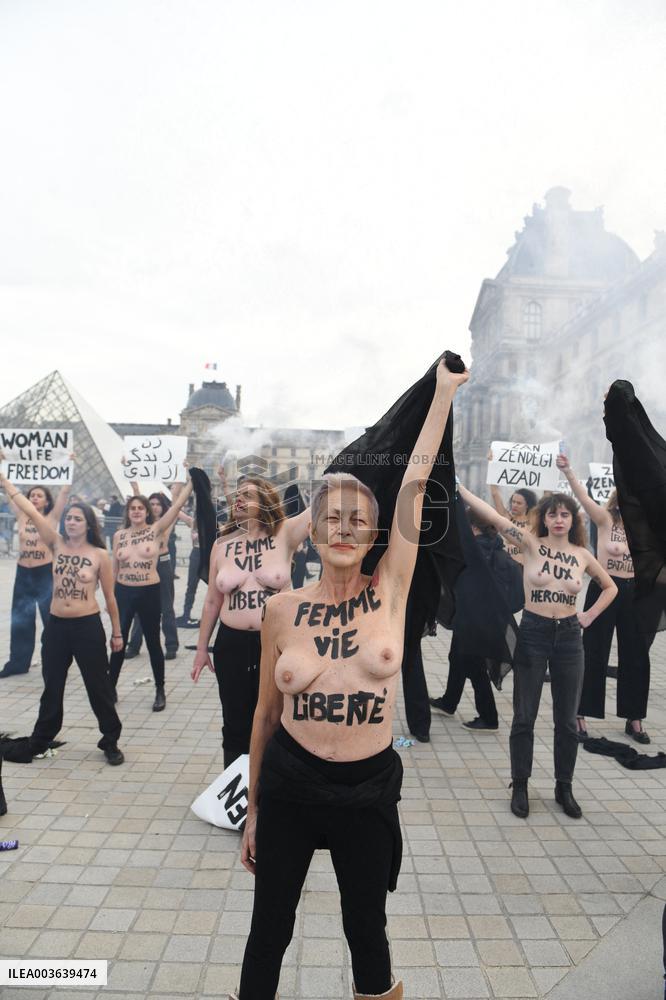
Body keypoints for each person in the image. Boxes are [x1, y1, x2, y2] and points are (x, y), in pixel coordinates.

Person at [231, 360, 468, 1000]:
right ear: (314, 532)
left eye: (355, 518)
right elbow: (263, 718)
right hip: (290, 786)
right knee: (268, 928)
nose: (342, 527)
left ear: (373, 533)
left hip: (367, 792)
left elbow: (416, 483)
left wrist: (441, 396)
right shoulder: (281, 610)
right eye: (329, 517)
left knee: (367, 928)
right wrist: (253, 808)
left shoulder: (390, 590)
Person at [458, 483, 617, 820]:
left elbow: (611, 587)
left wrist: (587, 616)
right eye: (552, 514)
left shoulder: (582, 555)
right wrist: (460, 489)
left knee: (567, 721)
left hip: (571, 639)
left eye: (564, 514)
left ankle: (564, 786)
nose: (558, 519)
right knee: (524, 716)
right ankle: (520, 784)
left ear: (572, 520)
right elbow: (492, 517)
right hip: (533, 634)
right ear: (543, 519)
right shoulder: (529, 544)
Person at [0, 466, 124, 764]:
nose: (70, 522)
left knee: (99, 687)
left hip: (87, 627)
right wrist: (5, 481)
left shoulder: (100, 555)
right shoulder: (54, 543)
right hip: (56, 627)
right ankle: (41, 738)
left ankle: (110, 740)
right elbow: (28, 507)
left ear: (88, 523)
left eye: (77, 518)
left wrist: (117, 634)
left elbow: (109, 597)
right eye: (68, 517)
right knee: (52, 685)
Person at [191, 476, 312, 769]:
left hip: (275, 642)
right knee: (234, 719)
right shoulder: (221, 545)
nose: (239, 499)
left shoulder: (284, 534)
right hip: (230, 643)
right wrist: (201, 648)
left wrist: (355, 463)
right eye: (237, 495)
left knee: (275, 717)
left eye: (248, 495)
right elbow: (211, 602)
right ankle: (234, 786)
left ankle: (270, 787)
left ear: (266, 502)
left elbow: (322, 504)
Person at [557, 454, 651, 744]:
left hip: (635, 594)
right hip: (604, 589)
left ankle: (634, 718)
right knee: (593, 650)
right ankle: (581, 713)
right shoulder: (606, 519)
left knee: (636, 656)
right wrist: (568, 470)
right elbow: (583, 498)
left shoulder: (648, 525)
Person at [430, 509, 521, 730]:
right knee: (457, 657)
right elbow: (518, 597)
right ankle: (449, 702)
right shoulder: (500, 552)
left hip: (473, 622)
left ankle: (489, 717)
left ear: (472, 528)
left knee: (474, 666)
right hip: (486, 621)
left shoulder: (472, 553)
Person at [109, 477, 193, 711]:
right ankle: (110, 687)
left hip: (149, 591)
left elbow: (176, 507)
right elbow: (114, 569)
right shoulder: (119, 536)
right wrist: (110, 599)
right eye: (132, 508)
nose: (136, 511)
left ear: (147, 512)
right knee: (118, 640)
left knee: (154, 642)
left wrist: (191, 483)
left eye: (140, 508)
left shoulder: (156, 530)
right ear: (128, 511)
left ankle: (159, 690)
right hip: (124, 592)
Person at [1, 478, 72, 678]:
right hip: (23, 573)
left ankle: (56, 661)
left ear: (47, 501)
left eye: (39, 495)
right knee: (21, 620)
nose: (34, 498)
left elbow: (64, 493)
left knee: (51, 620)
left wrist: (70, 465)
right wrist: (3, 471)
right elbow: (10, 493)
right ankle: (18, 662)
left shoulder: (52, 518)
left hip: (45, 574)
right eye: (32, 495)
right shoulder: (22, 516)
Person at [125, 489, 181, 661]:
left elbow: (177, 501)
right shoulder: (143, 524)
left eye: (158, 504)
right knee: (139, 608)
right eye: (153, 504)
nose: (155, 507)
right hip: (145, 566)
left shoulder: (167, 522)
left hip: (163, 565)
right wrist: (134, 483)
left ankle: (171, 645)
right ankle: (134, 645)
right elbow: (137, 499)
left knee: (166, 608)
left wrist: (181, 478)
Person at [488, 452, 537, 565]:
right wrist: (492, 465)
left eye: (519, 503)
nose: (514, 505)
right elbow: (495, 494)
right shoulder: (507, 518)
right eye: (513, 501)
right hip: (508, 567)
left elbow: (547, 497)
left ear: (527, 505)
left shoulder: (534, 520)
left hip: (528, 567)